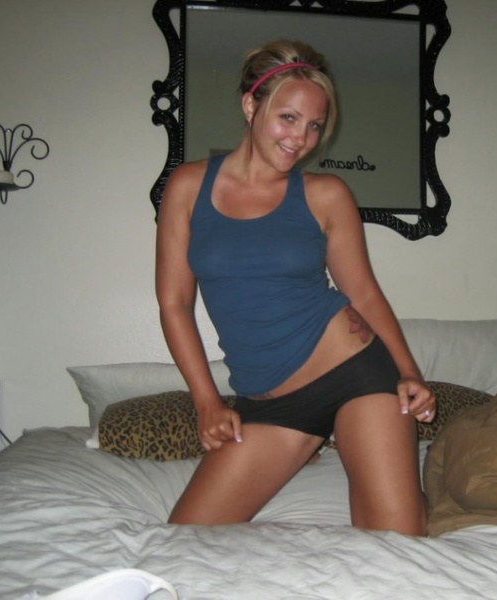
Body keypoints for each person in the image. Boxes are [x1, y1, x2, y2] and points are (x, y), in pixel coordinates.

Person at [155, 39, 436, 536]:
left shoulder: (327, 194)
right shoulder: (188, 186)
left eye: (314, 126)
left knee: (396, 546)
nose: (301, 138)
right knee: (184, 539)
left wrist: (409, 372)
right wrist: (207, 401)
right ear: (251, 106)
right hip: (269, 404)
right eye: (288, 118)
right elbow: (174, 303)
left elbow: (364, 293)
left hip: (354, 374)